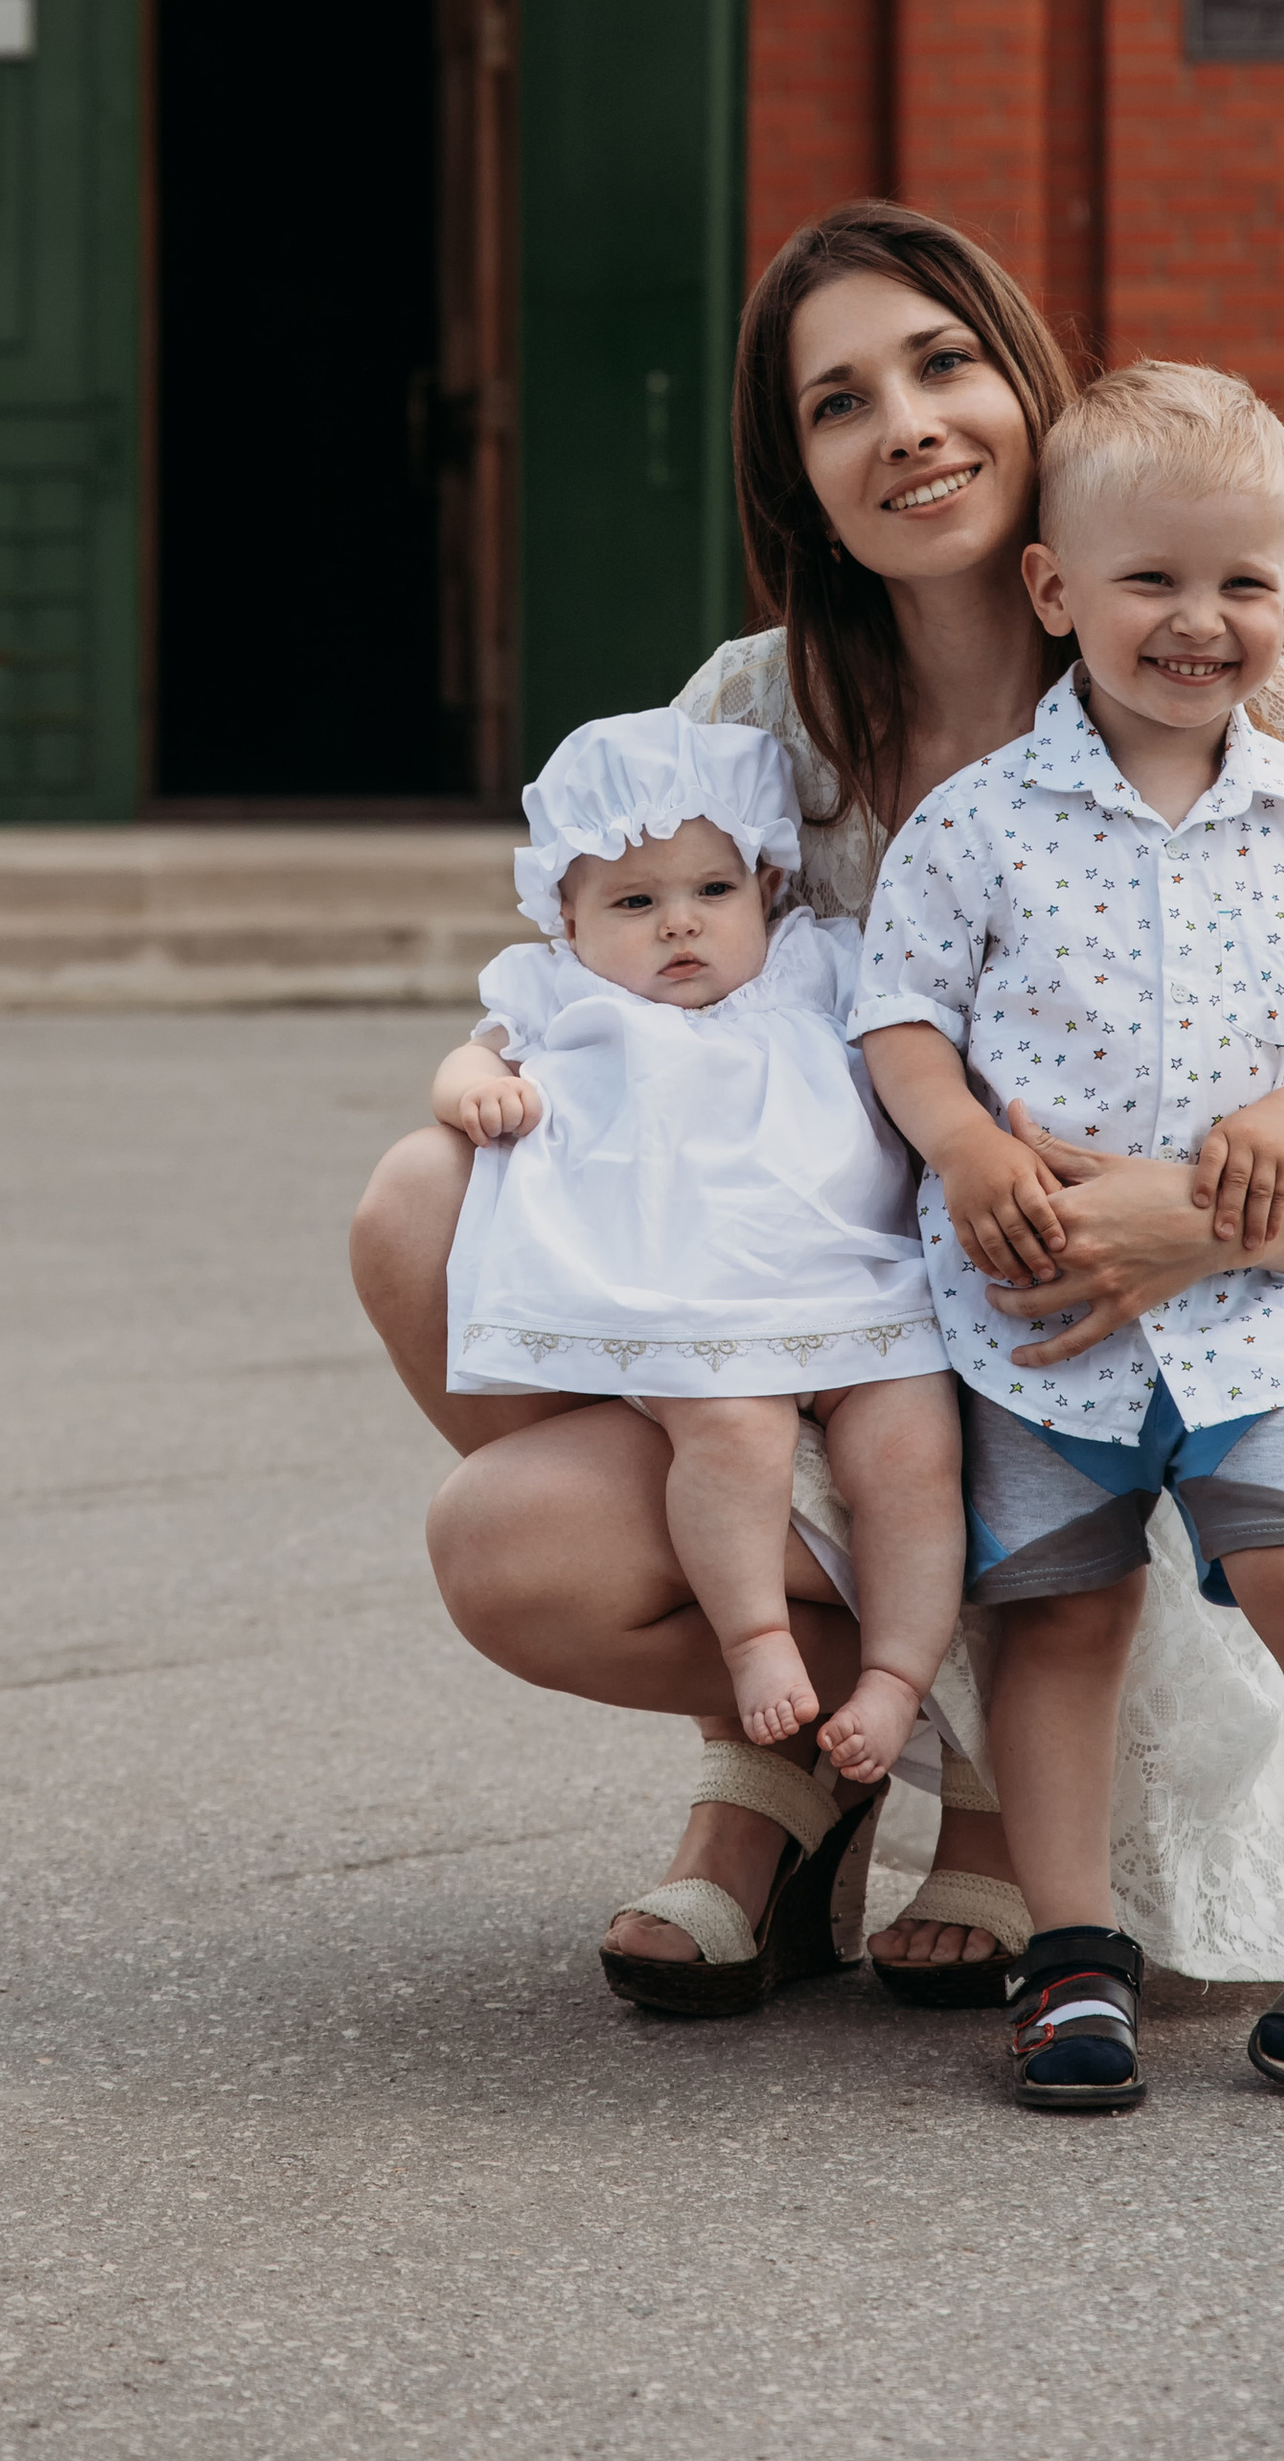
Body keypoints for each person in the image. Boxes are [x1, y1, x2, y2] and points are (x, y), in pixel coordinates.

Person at [350, 202, 1284, 2014]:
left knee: (1050, 1491)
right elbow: (624, 996)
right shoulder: (748, 716)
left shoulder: (1208, 690)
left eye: (945, 363)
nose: (909, 426)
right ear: (798, 473)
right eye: (838, 402)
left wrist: (1180, 1222)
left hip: (1076, 1357)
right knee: (427, 1214)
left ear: (1030, 391)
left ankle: (957, 1784)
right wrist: (500, 1060)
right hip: (822, 1331)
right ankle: (790, 1755)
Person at [856, 358, 1284, 2109]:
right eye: (1150, 580)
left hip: (1252, 1314)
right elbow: (898, 1010)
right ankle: (1070, 1945)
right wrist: (965, 1138)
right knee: (1053, 1622)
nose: (1197, 621)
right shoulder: (976, 824)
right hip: (1041, 1321)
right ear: (1055, 590)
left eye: (1241, 581)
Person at [434, 710, 963, 2012]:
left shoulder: (818, 965)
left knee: (912, 1459)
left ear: (770, 886)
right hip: (698, 1303)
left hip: (862, 1290)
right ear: (563, 918)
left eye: (713, 890)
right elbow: (479, 1047)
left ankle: (897, 1676)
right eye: (633, 900)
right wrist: (471, 1087)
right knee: (731, 1441)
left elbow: (918, 1046)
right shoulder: (559, 994)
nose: (679, 924)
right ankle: (757, 1644)